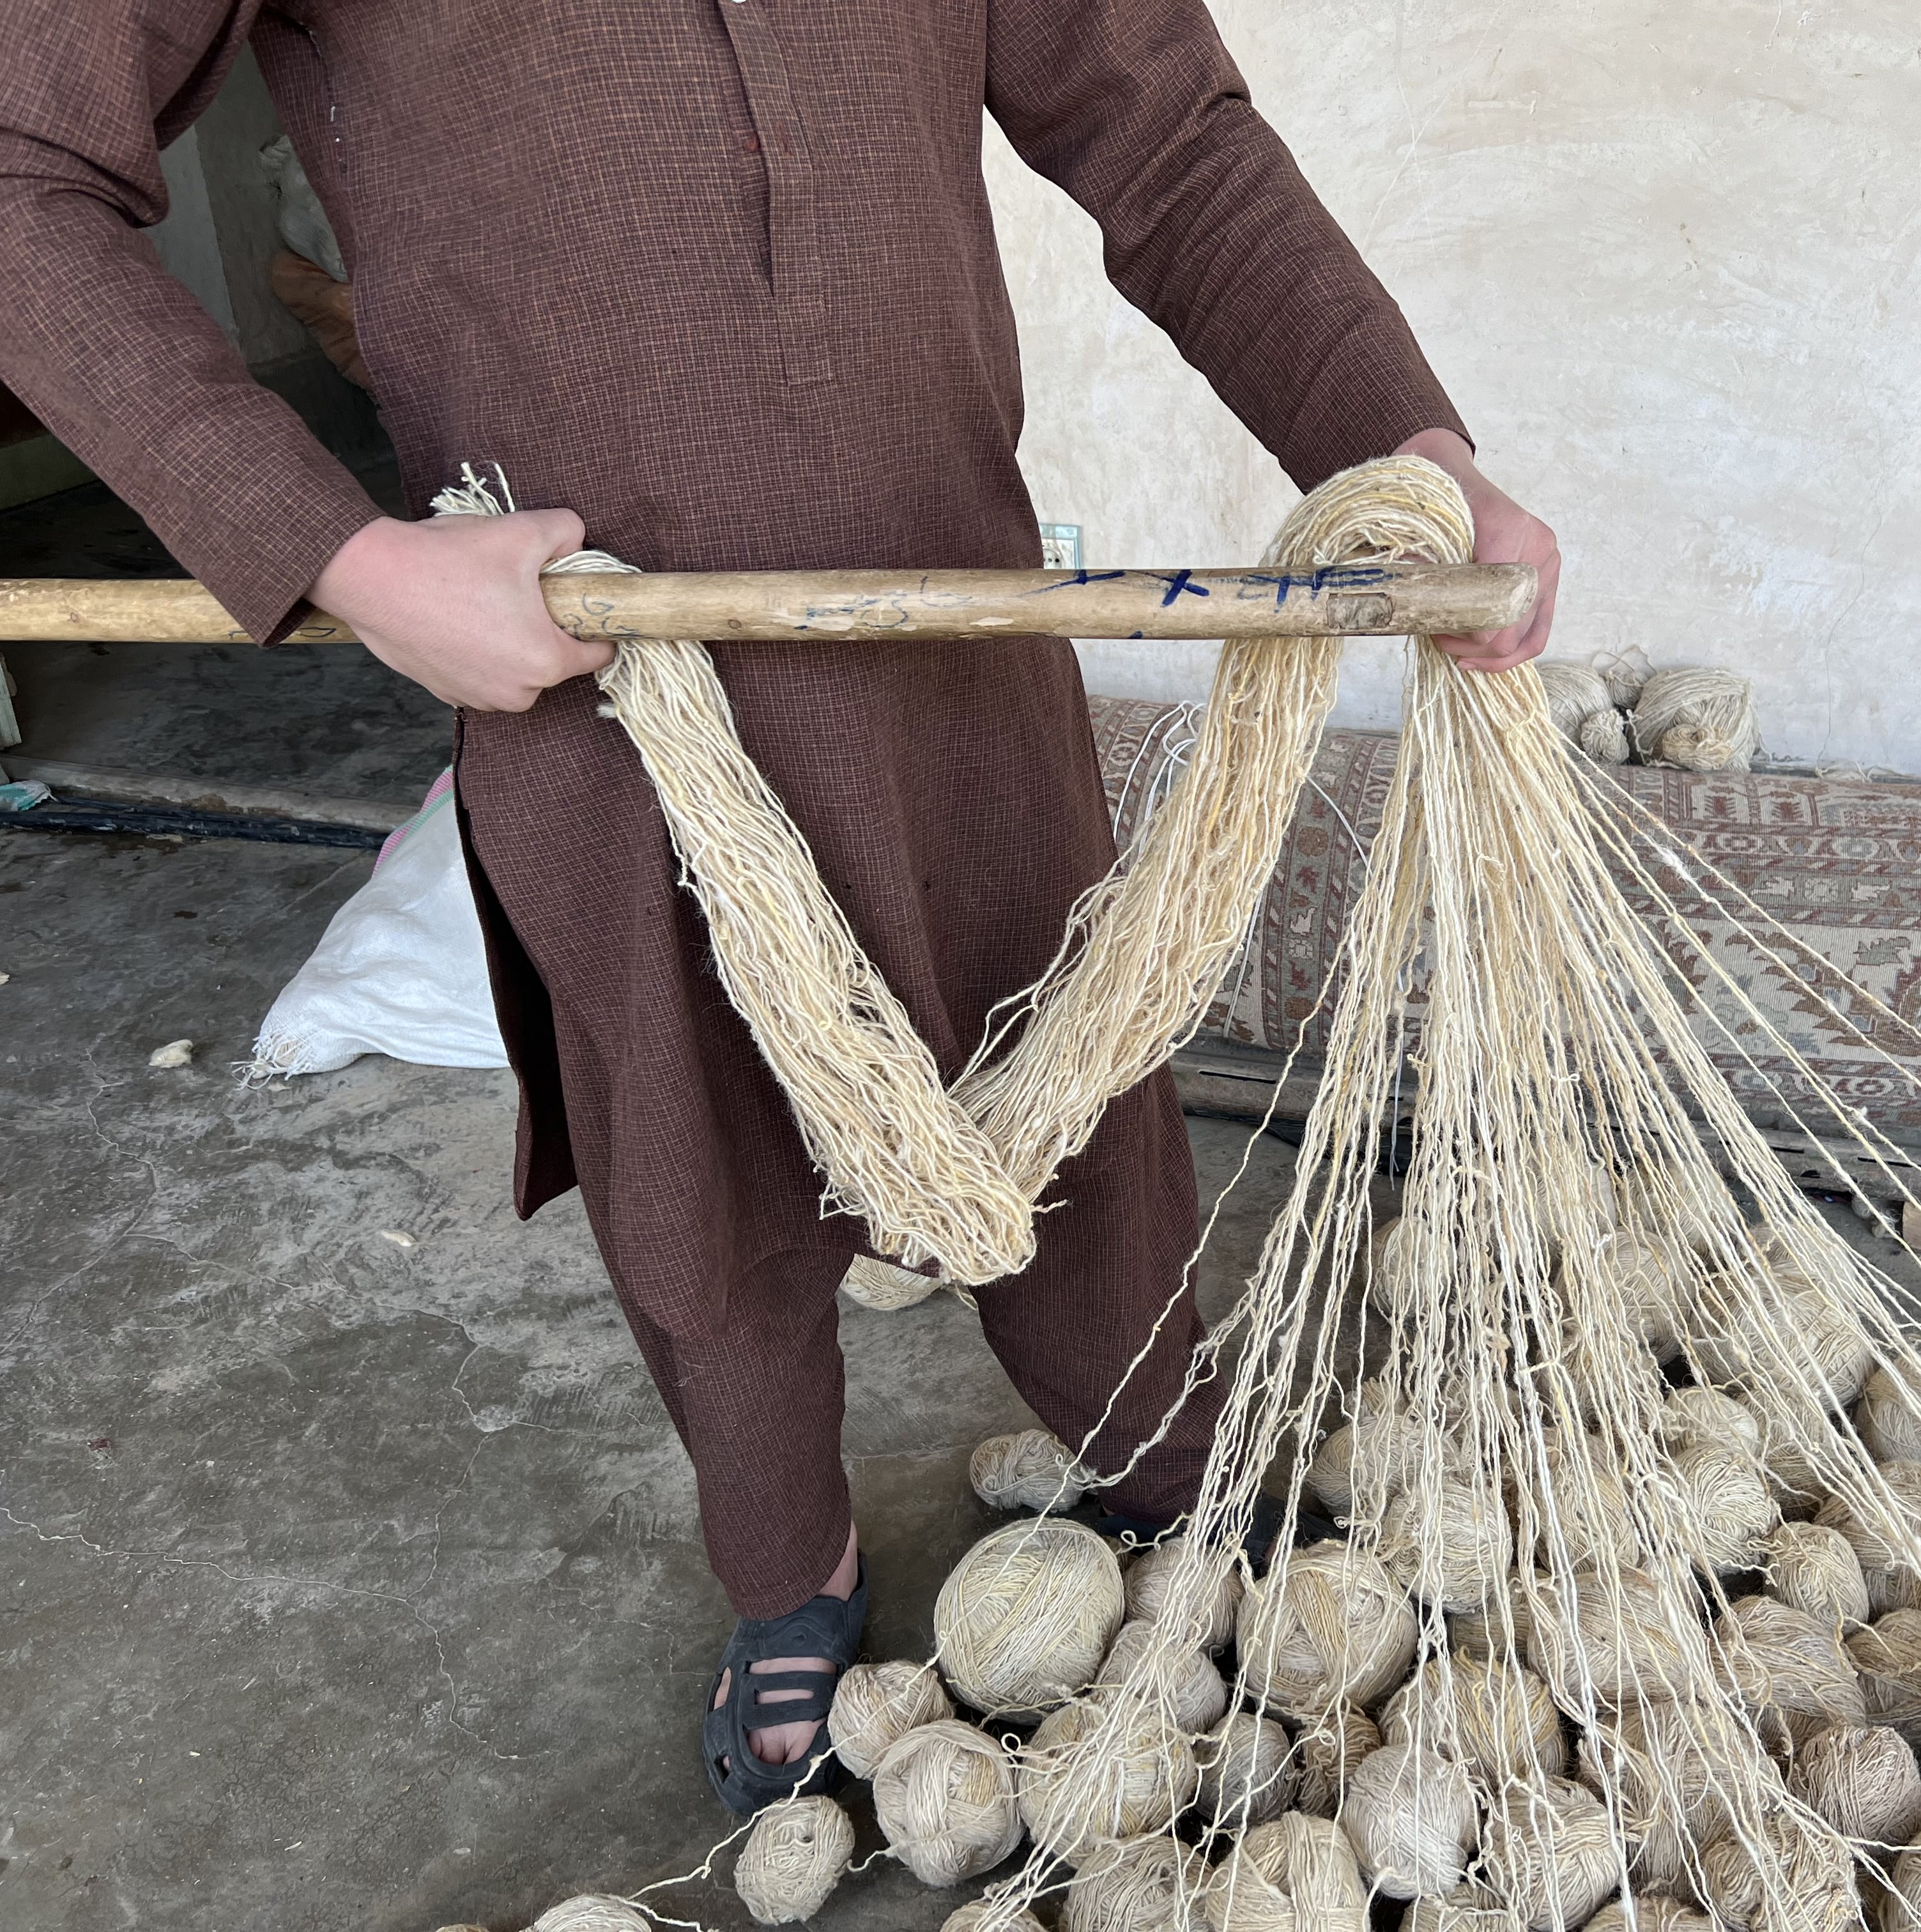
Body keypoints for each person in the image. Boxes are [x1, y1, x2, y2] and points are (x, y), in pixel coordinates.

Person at [2, 1, 1557, 1811]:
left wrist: (1404, 440)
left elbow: (1171, 136)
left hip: (957, 631)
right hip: (602, 692)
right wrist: (342, 554)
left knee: (1073, 1075)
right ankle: (788, 1570)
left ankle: (1157, 1442)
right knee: (696, 1179)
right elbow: (21, 173)